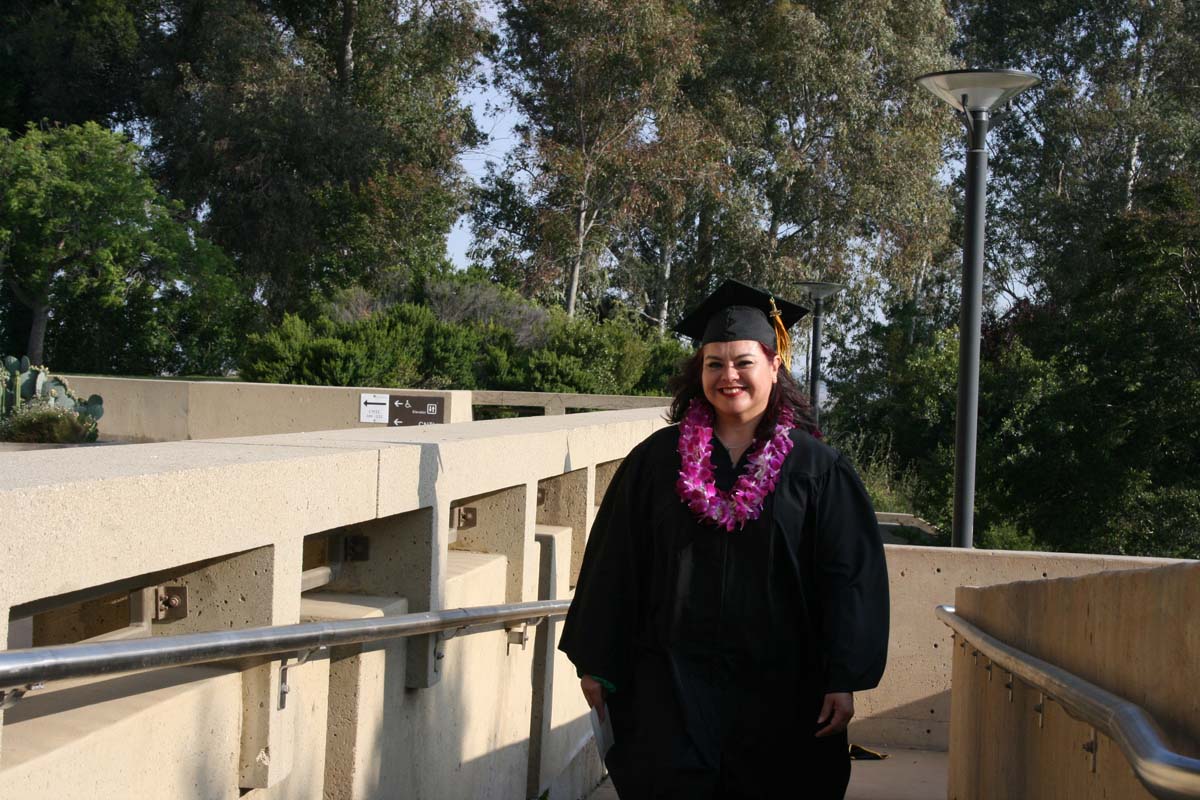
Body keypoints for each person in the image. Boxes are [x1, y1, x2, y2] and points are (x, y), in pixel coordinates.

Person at [558, 279, 889, 799]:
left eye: (743, 362)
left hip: (782, 696)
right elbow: (614, 562)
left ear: (774, 366)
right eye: (714, 363)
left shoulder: (816, 469)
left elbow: (848, 578)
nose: (728, 375)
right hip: (670, 687)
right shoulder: (657, 460)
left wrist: (842, 677)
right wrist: (597, 662)